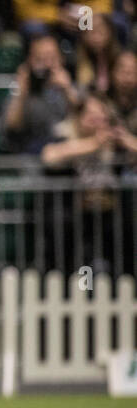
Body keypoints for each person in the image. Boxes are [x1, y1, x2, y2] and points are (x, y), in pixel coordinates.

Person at [41, 92, 136, 277]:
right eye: (91, 117)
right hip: (76, 214)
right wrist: (94, 143)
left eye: (101, 118)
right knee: (67, 237)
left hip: (109, 211)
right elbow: (49, 155)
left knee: (127, 230)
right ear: (79, 118)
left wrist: (128, 141)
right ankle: (69, 286)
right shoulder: (66, 136)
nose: (97, 122)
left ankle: (125, 283)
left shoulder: (116, 144)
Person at [0, 33, 78, 154]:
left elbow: (84, 121)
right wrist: (21, 93)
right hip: (29, 155)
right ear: (29, 61)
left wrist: (67, 89)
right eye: (40, 59)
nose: (47, 64)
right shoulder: (21, 90)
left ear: (61, 59)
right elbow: (11, 128)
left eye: (52, 58)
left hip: (67, 155)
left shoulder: (71, 88)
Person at [76, 12, 121, 93]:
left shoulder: (119, 58)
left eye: (100, 30)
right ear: (84, 36)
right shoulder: (76, 60)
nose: (96, 37)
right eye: (92, 32)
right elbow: (81, 95)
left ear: (110, 32)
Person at [106, 50, 137, 132]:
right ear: (112, 72)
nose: (127, 78)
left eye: (132, 72)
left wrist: (130, 141)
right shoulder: (101, 101)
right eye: (123, 71)